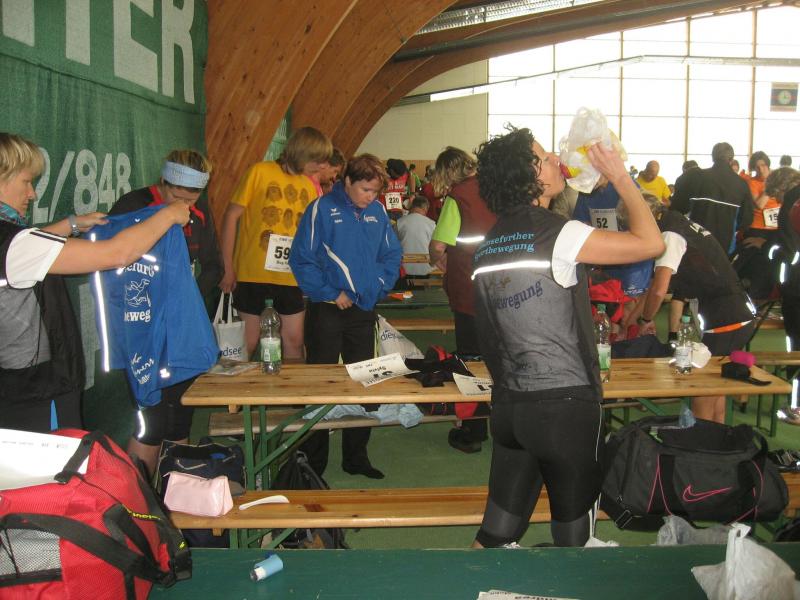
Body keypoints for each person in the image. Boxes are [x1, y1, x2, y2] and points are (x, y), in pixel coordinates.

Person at [470, 127, 663, 548]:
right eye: (544, 158)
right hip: (565, 410)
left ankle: (462, 583)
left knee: (495, 533)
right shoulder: (559, 233)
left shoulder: (488, 244)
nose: (557, 161)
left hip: (509, 410)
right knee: (574, 542)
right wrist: (620, 176)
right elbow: (651, 243)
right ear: (529, 177)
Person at [0, 132, 191, 433]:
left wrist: (71, 225)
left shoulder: (13, 242)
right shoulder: (16, 245)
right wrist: (169, 215)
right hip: (36, 391)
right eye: (26, 182)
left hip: (18, 387)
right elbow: (117, 254)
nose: (32, 194)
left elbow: (24, 251)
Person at [289, 154, 402, 479]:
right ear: (348, 181)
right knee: (321, 384)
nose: (371, 197)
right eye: (365, 189)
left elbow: (391, 254)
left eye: (375, 191)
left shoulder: (377, 212)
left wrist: (379, 285)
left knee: (365, 381)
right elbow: (302, 259)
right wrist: (330, 292)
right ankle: (313, 461)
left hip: (363, 308)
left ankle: (356, 457)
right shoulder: (321, 209)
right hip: (328, 308)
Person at [110, 149, 220, 475]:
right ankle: (138, 496)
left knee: (180, 416)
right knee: (152, 422)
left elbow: (214, 266)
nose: (184, 205)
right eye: (177, 196)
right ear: (163, 182)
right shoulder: (134, 206)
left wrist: (186, 300)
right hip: (141, 328)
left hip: (179, 327)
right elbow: (109, 264)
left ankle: (175, 491)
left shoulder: (199, 212)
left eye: (192, 198)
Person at [629, 194, 756, 424]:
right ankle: (715, 440)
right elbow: (653, 288)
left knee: (703, 391)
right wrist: (632, 319)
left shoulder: (670, 235)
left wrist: (645, 320)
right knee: (715, 389)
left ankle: (702, 441)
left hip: (726, 318)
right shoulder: (678, 224)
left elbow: (658, 290)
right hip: (734, 315)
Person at [220, 126, 332, 361]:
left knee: (294, 341)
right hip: (253, 274)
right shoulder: (259, 172)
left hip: (290, 276)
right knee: (248, 342)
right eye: (317, 160)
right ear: (302, 153)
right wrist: (227, 266)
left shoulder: (308, 186)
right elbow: (231, 216)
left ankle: (292, 387)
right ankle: (239, 386)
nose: (322, 166)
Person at [428, 146, 495, 453]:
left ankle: (473, 429)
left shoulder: (457, 197)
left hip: (469, 290)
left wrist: (436, 259)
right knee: (497, 358)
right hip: (501, 290)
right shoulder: (495, 188)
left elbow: (438, 245)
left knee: (471, 361)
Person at [671, 142, 753, 256]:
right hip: (725, 245)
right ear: (731, 159)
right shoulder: (741, 184)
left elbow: (678, 208)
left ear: (713, 157)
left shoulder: (696, 178)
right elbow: (746, 220)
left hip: (696, 241)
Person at [765, 166, 800, 425]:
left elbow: (789, 249)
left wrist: (770, 250)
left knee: (796, 345)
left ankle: (796, 406)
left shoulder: (792, 202)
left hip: (796, 286)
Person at [397, 195, 436, 280]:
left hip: (403, 270)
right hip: (425, 269)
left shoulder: (399, 222)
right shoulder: (432, 224)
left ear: (412, 206)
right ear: (425, 208)